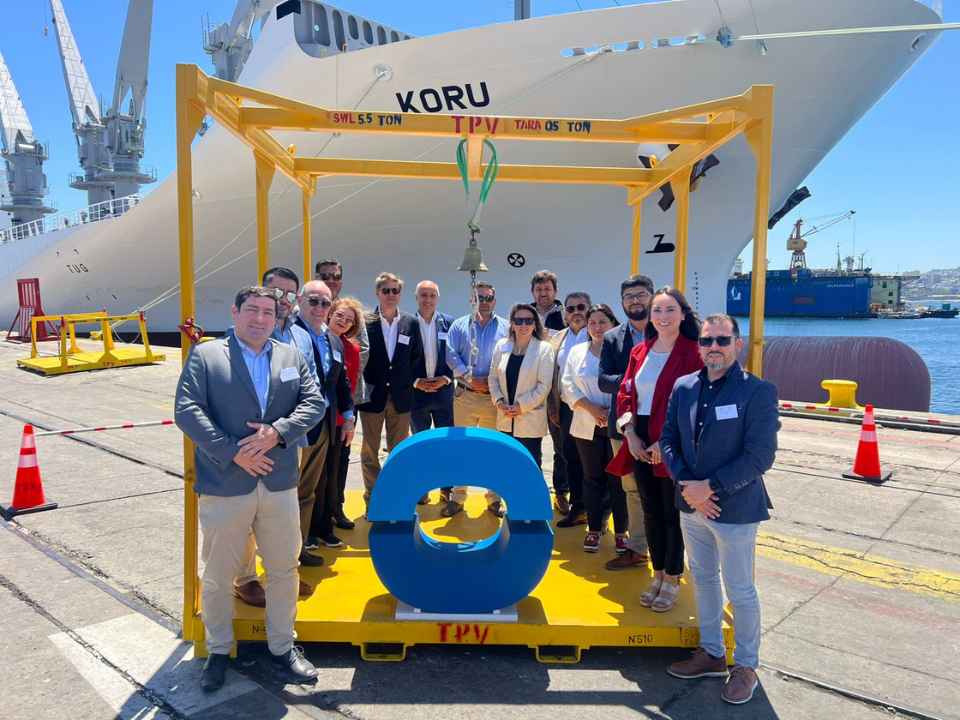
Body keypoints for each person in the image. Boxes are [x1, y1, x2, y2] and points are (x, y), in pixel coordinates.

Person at [174, 286, 326, 692]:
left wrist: (278, 431)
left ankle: (283, 646)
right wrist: (232, 452)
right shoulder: (206, 355)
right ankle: (219, 649)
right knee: (219, 573)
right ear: (235, 312)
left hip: (278, 482)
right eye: (252, 310)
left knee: (283, 568)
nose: (260, 319)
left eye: (268, 312)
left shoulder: (291, 356)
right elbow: (187, 409)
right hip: (227, 481)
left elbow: (314, 403)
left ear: (277, 318)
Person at [661, 314, 778, 706]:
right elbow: (668, 440)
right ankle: (712, 652)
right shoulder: (684, 387)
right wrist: (687, 486)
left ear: (737, 344)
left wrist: (708, 487)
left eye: (722, 340)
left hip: (735, 508)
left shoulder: (757, 392)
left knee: (740, 589)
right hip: (691, 504)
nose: (714, 347)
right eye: (707, 340)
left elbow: (760, 456)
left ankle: (745, 666)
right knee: (704, 579)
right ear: (699, 346)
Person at [608, 287, 703, 613]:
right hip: (641, 436)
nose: (663, 317)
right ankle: (658, 571)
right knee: (649, 509)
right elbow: (625, 393)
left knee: (671, 513)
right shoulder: (640, 351)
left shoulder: (693, 353)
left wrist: (667, 441)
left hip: (674, 439)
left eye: (670, 310)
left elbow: (695, 403)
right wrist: (630, 433)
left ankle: (673, 576)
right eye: (657, 310)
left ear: (683, 314)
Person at [233, 267, 318, 608]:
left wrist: (284, 429)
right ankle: (245, 578)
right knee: (246, 511)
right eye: (276, 292)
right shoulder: (243, 336)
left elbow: (310, 390)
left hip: (287, 440)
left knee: (283, 512)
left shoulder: (300, 337)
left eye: (289, 294)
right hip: (248, 441)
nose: (283, 300)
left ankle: (282, 573)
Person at [599, 274, 655, 571]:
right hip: (624, 424)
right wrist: (635, 380)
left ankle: (670, 549)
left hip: (661, 423)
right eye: (629, 296)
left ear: (652, 297)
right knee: (631, 489)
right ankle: (638, 548)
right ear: (622, 302)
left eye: (641, 294)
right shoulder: (612, 338)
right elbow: (604, 380)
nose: (635, 301)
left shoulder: (668, 330)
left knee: (666, 488)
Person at [562, 304, 629, 554]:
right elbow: (567, 385)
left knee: (618, 480)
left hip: (617, 424)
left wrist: (610, 413)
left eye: (602, 322)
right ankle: (593, 528)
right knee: (591, 478)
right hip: (586, 422)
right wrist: (591, 409)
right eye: (592, 323)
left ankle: (621, 531)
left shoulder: (623, 351)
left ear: (613, 324)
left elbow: (628, 385)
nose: (597, 327)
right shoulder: (577, 351)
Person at [295, 280, 356, 553]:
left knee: (311, 487)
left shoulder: (332, 339)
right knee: (290, 488)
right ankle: (288, 547)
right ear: (300, 300)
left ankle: (302, 542)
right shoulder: (290, 333)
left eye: (325, 302)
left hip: (324, 422)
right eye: (314, 301)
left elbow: (340, 382)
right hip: (297, 425)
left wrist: (348, 416)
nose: (320, 307)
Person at [357, 272, 423, 510]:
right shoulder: (365, 322)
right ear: (378, 293)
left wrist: (406, 383)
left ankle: (395, 498)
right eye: (386, 290)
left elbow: (416, 358)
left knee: (399, 452)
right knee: (370, 452)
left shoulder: (410, 323)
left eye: (395, 290)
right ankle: (373, 500)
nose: (391, 295)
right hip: (372, 397)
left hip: (400, 398)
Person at [443, 282, 509, 516]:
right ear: (472, 300)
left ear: (495, 300)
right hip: (466, 396)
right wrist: (470, 378)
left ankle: (494, 498)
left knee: (493, 449)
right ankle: (458, 497)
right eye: (479, 297)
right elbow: (450, 354)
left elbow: (508, 357)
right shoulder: (459, 326)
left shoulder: (506, 327)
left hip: (493, 398)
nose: (484, 302)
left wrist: (490, 381)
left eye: (488, 298)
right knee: (462, 448)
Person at [488, 303, 555, 517]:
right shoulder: (502, 346)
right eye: (519, 321)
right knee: (506, 466)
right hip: (505, 417)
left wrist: (521, 406)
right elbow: (493, 378)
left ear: (535, 324)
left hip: (529, 418)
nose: (523, 325)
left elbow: (544, 386)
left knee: (529, 466)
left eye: (528, 320)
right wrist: (499, 401)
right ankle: (512, 507)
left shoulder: (544, 349)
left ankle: (532, 510)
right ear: (512, 324)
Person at [411, 280, 455, 504]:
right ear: (416, 298)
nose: (427, 300)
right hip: (417, 395)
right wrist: (415, 381)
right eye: (423, 295)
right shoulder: (407, 324)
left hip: (443, 394)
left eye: (432, 295)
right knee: (420, 445)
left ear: (437, 298)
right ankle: (422, 487)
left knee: (446, 445)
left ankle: (447, 489)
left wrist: (446, 378)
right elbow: (401, 359)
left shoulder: (450, 324)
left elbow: (457, 355)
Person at [549, 292, 591, 527]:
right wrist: (553, 407)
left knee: (594, 462)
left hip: (591, 408)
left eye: (581, 307)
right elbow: (553, 376)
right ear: (565, 314)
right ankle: (579, 507)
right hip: (566, 408)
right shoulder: (558, 339)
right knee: (571, 459)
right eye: (571, 308)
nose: (576, 312)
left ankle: (599, 511)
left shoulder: (599, 335)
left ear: (589, 309)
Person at [324, 296, 365, 531]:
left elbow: (350, 385)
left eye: (349, 320)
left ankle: (336, 507)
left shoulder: (352, 348)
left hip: (342, 417)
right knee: (321, 469)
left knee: (340, 464)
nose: (343, 321)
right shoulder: (316, 340)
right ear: (330, 313)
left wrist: (348, 418)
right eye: (339, 315)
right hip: (320, 417)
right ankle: (319, 515)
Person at [316, 258, 369, 406]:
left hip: (346, 393)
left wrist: (339, 376)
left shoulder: (352, 310)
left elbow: (363, 349)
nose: (331, 280)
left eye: (336, 277)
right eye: (325, 276)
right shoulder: (305, 309)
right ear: (317, 278)